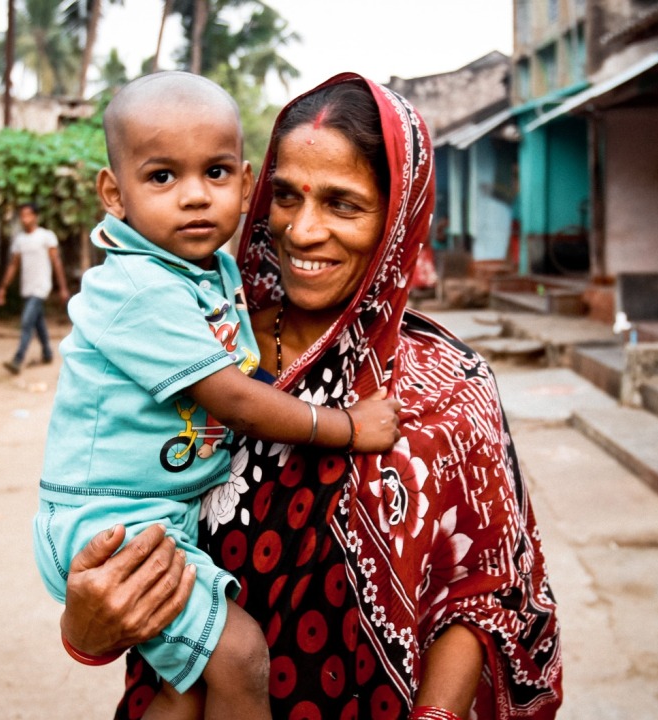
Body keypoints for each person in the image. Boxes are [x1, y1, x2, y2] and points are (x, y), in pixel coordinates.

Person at [58, 73, 563, 719]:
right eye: (287, 196)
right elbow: (109, 518)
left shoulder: (447, 385)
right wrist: (86, 629)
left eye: (342, 204)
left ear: (397, 214)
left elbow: (484, 591)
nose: (301, 231)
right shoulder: (202, 340)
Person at [33, 72, 401, 720]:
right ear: (112, 194)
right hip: (123, 524)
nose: (196, 197)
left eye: (217, 172)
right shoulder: (142, 286)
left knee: (188, 685)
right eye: (162, 178)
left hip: (151, 513)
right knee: (239, 656)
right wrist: (343, 426)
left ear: (244, 181)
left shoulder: (208, 275)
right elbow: (230, 395)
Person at [0, 202, 70, 374]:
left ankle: (17, 360)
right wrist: (3, 288)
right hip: (26, 288)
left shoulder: (46, 236)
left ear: (35, 216)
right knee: (38, 322)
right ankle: (48, 353)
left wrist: (62, 287)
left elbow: (56, 262)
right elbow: (13, 265)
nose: (24, 219)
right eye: (22, 215)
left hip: (41, 287)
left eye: (28, 215)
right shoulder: (20, 240)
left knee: (27, 321)